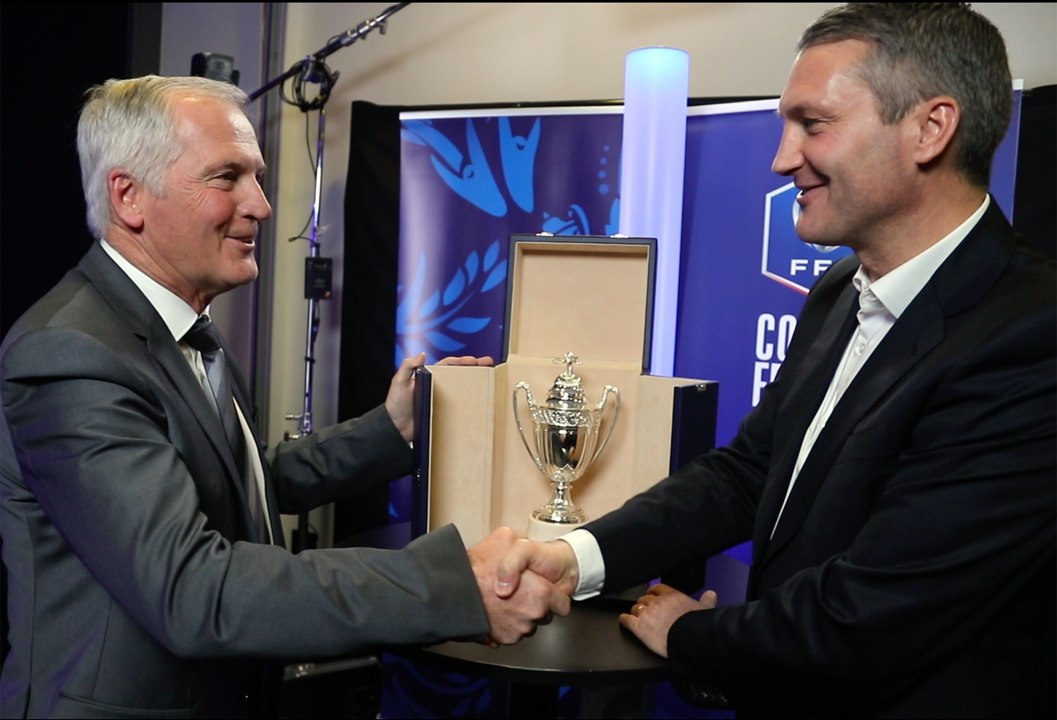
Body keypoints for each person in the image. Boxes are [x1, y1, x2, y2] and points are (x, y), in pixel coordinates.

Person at [494, 4, 1056, 718]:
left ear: (929, 129)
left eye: (812, 124)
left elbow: (874, 616)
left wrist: (693, 634)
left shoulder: (1032, 332)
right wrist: (576, 557)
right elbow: (749, 473)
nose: (781, 158)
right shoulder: (835, 294)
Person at [0, 74, 567, 719]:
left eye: (257, 177)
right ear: (129, 196)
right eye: (227, 177)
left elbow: (239, 484)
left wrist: (392, 429)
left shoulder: (182, 327)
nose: (263, 206)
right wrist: (447, 585)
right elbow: (195, 589)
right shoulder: (71, 354)